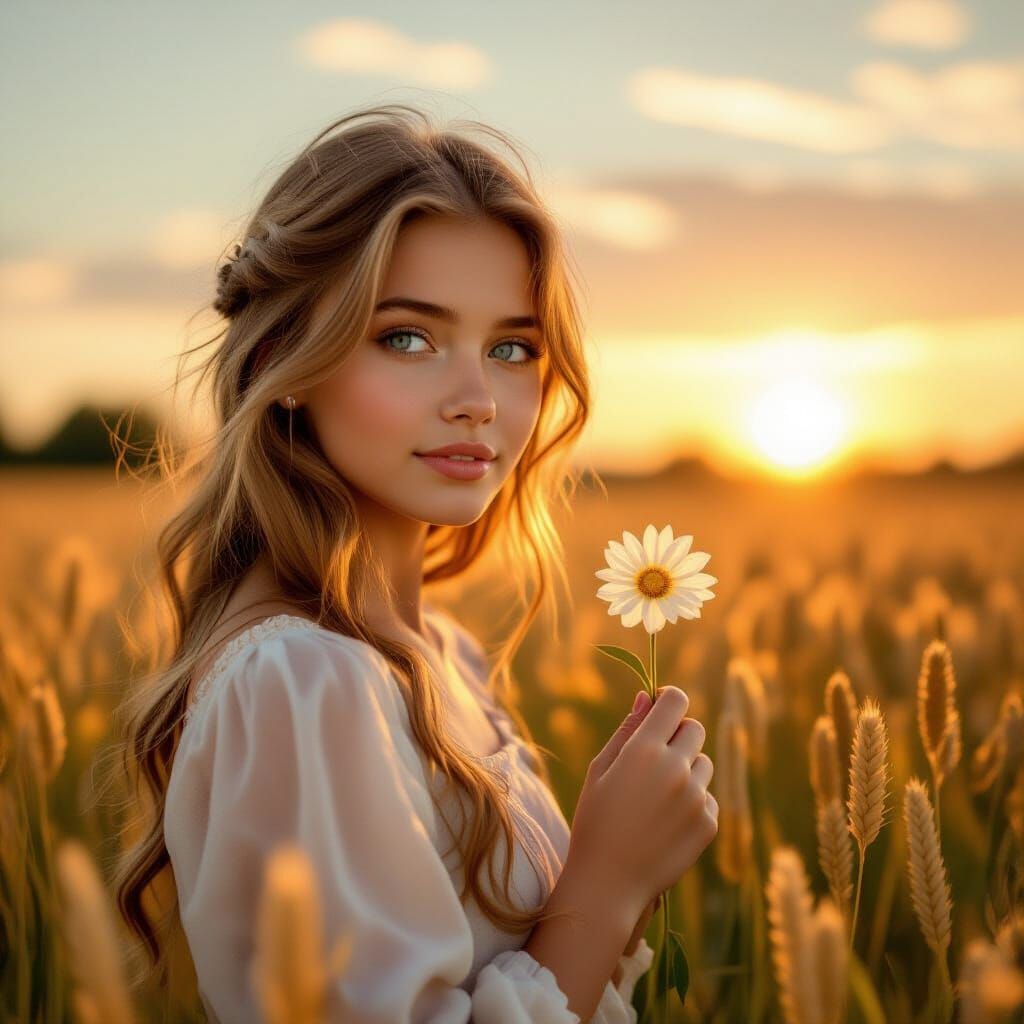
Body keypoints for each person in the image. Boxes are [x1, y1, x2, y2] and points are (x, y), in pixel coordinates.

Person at [110, 104, 718, 1023]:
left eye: (512, 349)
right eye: (408, 337)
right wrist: (610, 881)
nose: (477, 399)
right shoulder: (298, 682)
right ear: (286, 358)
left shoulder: (442, 650)